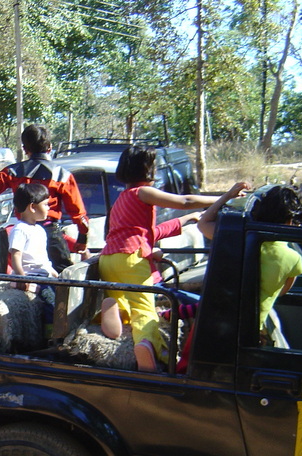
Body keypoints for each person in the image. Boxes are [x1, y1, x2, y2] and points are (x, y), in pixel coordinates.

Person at [99, 144, 249, 372]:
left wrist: (183, 221)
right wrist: (224, 197)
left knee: (126, 300)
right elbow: (185, 201)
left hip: (109, 259)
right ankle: (146, 347)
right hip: (131, 259)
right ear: (148, 169)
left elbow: (147, 233)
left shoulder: (121, 200)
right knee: (145, 311)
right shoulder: (143, 192)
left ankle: (116, 309)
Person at [0, 124, 89, 272]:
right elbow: (78, 213)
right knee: (63, 277)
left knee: (25, 273)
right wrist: (82, 238)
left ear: (25, 149)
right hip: (50, 234)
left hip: (23, 233)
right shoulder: (62, 175)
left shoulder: (13, 172)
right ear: (49, 147)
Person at [198, 184, 302, 334]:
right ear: (290, 221)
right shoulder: (293, 259)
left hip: (213, 322)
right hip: (248, 331)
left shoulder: (237, 238)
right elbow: (281, 291)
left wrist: (227, 196)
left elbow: (203, 223)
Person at [9, 183, 59, 283]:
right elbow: (16, 255)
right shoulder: (20, 229)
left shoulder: (39, 229)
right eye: (45, 204)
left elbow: (42, 259)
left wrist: (53, 273)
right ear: (32, 207)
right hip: (30, 276)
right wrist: (22, 279)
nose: (48, 208)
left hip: (43, 275)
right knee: (50, 296)